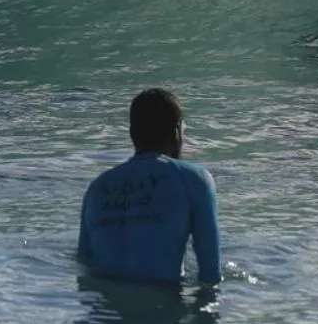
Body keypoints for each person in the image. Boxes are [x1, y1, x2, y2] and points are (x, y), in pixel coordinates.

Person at [78, 88, 221, 286]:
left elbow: (84, 265)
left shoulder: (97, 188)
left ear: (131, 133)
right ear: (177, 131)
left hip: (104, 314)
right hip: (163, 309)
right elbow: (210, 274)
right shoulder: (193, 180)